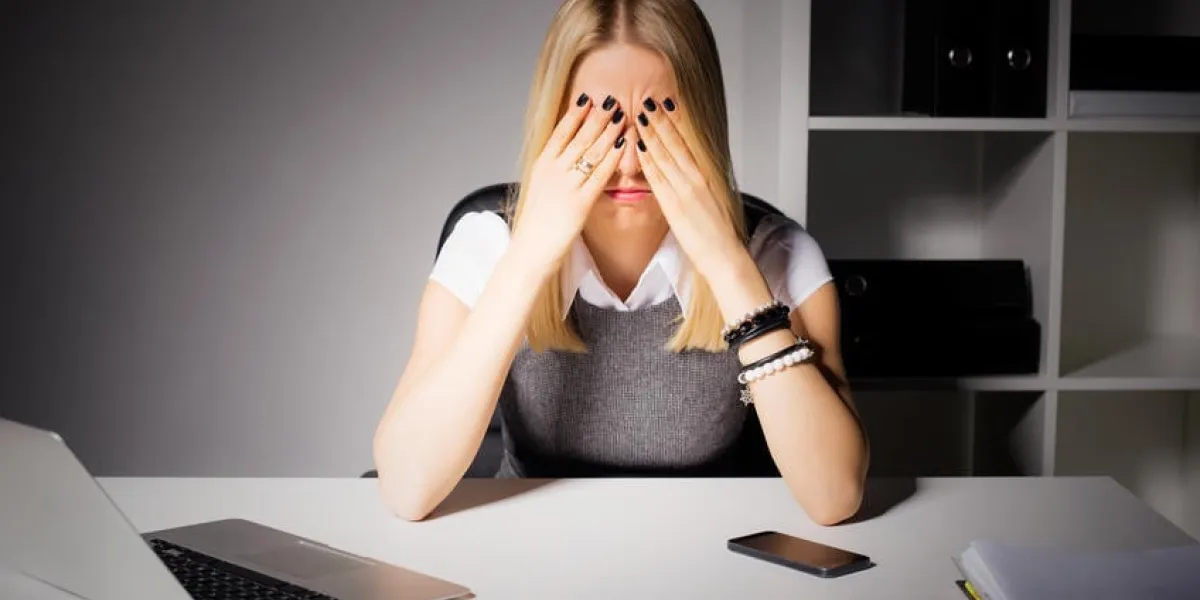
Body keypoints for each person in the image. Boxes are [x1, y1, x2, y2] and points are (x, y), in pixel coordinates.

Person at [372, 0, 868, 525]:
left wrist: (727, 262)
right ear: (555, 118)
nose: (629, 164)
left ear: (703, 121)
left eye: (656, 126)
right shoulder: (485, 243)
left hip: (708, 548)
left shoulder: (779, 255)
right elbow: (406, 487)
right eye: (599, 123)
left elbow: (834, 497)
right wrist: (529, 256)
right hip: (526, 544)